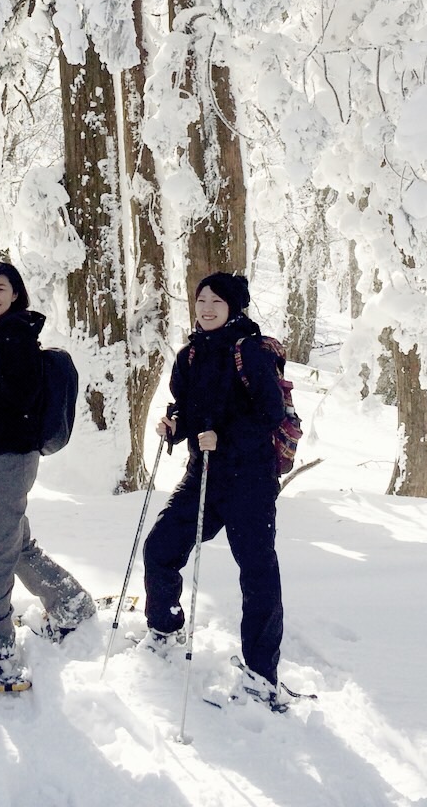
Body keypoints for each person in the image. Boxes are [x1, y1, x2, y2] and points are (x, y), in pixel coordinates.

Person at [0, 261, 96, 688]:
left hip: (10, 454)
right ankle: (69, 602)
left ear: (15, 294)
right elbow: (1, 386)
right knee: (14, 539)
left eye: (1, 287)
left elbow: (20, 394)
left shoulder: (14, 334)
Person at [141, 271, 287, 707]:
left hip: (251, 482)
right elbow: (188, 409)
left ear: (233, 308)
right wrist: (174, 425)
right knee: (160, 548)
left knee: (257, 574)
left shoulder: (250, 353)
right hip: (202, 475)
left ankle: (262, 677)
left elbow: (270, 413)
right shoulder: (188, 356)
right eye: (201, 298)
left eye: (216, 301)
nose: (206, 307)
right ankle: (165, 629)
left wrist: (223, 436)